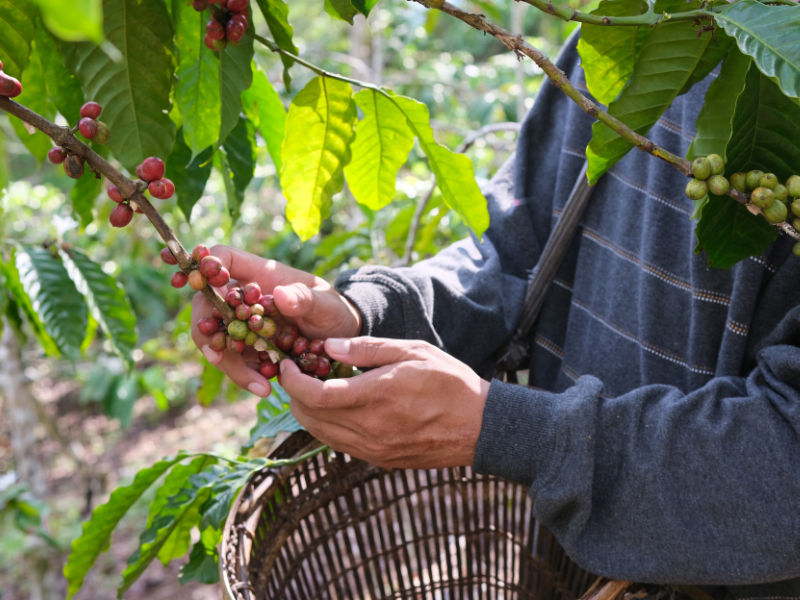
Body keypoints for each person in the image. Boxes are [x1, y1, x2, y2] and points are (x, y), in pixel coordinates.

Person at [192, 34, 800, 591]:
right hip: (571, 569)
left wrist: (515, 432)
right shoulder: (626, 30)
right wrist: (362, 314)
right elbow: (518, 253)